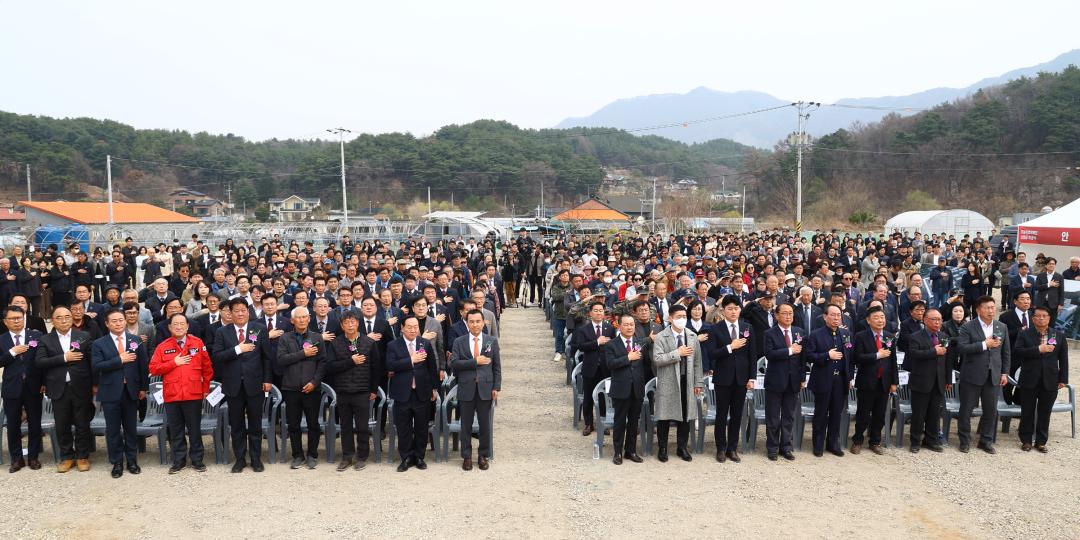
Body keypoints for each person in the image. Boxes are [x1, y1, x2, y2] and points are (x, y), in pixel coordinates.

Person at [149, 313, 214, 474]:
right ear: (169, 327)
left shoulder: (197, 343)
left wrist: (205, 389)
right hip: (172, 394)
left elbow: (207, 368)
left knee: (194, 429)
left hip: (193, 393)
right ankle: (178, 461)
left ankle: (197, 460)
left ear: (187, 326)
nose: (178, 327)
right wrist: (173, 363)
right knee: (176, 430)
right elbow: (153, 368)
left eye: (182, 324)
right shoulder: (163, 346)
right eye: (175, 324)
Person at [34, 306, 94, 472]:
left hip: (81, 386)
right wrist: (64, 358)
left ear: (72, 318)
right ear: (53, 320)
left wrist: (94, 384)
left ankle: (82, 456)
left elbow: (91, 362)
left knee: (82, 423)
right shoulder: (45, 339)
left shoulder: (83, 336)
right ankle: (67, 457)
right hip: (58, 387)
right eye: (59, 317)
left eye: (67, 316)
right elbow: (40, 362)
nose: (64, 320)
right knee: (62, 424)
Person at [213, 297, 269, 472]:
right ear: (230, 313)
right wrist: (238, 349)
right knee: (236, 425)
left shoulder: (259, 329)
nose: (240, 313)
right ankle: (240, 459)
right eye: (236, 310)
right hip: (233, 385)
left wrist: (268, 380)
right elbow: (217, 356)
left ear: (248, 311)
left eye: (243, 310)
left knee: (255, 424)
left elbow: (267, 357)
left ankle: (255, 458)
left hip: (255, 384)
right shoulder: (223, 332)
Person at [91, 309, 148, 478]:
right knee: (113, 429)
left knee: (131, 428)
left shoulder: (135, 340)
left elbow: (142, 367)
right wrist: (119, 360)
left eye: (121, 320)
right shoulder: (99, 343)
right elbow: (96, 366)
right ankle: (116, 462)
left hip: (131, 391)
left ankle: (132, 460)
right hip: (110, 391)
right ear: (107, 324)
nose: (118, 323)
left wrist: (143, 388)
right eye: (114, 321)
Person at [956, 296, 1010, 454]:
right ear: (978, 309)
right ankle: (964, 441)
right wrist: (984, 345)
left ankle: (985, 440)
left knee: (991, 410)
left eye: (993, 307)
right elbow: (962, 348)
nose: (991, 310)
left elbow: (1006, 353)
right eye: (987, 307)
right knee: (966, 410)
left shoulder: (1001, 327)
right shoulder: (968, 327)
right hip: (972, 375)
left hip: (993, 375)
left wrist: (1005, 373)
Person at [450, 309, 502, 471]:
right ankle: (466, 456)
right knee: (465, 424)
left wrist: (496, 387)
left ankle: (483, 455)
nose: (475, 324)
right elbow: (454, 364)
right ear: (467, 323)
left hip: (486, 388)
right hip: (466, 387)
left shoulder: (490, 341)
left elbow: (496, 366)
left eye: (478, 321)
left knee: (484, 424)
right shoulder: (459, 341)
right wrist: (474, 361)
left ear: (483, 322)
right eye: (471, 321)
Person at [327, 310, 379, 471]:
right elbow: (330, 367)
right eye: (346, 323)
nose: (350, 325)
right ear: (342, 326)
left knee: (362, 426)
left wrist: (373, 389)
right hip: (343, 391)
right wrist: (351, 361)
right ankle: (347, 456)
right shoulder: (335, 343)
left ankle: (362, 456)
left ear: (358, 323)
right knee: (345, 426)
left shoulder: (369, 342)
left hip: (362, 390)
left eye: (353, 322)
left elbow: (376, 367)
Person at [705, 294, 755, 462]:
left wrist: (752, 378)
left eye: (736, 308)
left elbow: (752, 355)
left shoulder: (747, 328)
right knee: (721, 414)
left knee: (737, 414)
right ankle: (720, 448)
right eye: (730, 309)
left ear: (740, 309)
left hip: (742, 378)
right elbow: (712, 353)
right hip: (723, 378)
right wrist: (729, 347)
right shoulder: (715, 328)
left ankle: (732, 448)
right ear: (723, 310)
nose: (733, 312)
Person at [651, 304, 704, 462]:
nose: (682, 319)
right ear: (670, 318)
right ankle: (663, 448)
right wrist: (677, 353)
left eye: (684, 316)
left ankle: (682, 447)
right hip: (668, 381)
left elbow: (697, 363)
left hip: (687, 381)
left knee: (686, 416)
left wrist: (698, 383)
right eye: (678, 316)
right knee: (664, 416)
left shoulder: (692, 336)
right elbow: (657, 359)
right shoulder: (661, 336)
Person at [385, 316, 438, 472]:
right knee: (404, 427)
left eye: (416, 327)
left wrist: (434, 388)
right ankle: (406, 457)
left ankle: (419, 456)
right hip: (402, 393)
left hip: (422, 392)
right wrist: (411, 360)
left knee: (422, 427)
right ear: (402, 328)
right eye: (409, 327)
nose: (413, 330)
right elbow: (390, 365)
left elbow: (432, 368)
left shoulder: (425, 344)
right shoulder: (393, 345)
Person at [277, 306, 326, 469]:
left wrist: (314, 382)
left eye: (305, 317)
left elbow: (323, 362)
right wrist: (303, 354)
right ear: (292, 320)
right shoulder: (285, 338)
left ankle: (312, 454)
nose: (302, 320)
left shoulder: (317, 337)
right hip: (291, 388)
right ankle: (297, 455)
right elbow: (281, 359)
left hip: (312, 388)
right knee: (294, 425)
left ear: (309, 318)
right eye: (298, 317)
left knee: (313, 424)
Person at [1014, 306, 1069, 452]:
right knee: (1027, 411)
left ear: (1049, 318)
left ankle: (1041, 441)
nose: (1041, 318)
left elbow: (1063, 358)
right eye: (1038, 316)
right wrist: (1039, 349)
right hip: (1029, 378)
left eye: (1044, 316)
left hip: (1050, 379)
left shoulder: (1058, 335)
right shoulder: (1025, 334)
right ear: (1033, 319)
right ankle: (1026, 440)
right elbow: (1018, 352)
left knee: (1045, 411)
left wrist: (1063, 378)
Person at [805, 304, 855, 457]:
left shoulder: (846, 333)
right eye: (832, 315)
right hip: (823, 379)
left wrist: (850, 377)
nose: (836, 318)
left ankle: (833, 444)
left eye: (838, 315)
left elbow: (850, 357)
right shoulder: (815, 334)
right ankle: (818, 445)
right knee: (821, 414)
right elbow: (808, 356)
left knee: (836, 414)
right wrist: (827, 355)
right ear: (825, 317)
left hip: (840, 380)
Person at [849, 306, 899, 455]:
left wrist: (894, 382)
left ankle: (875, 442)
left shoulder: (889, 336)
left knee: (880, 415)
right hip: (867, 381)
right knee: (863, 414)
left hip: (884, 382)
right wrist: (877, 355)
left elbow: (893, 360)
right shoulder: (860, 336)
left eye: (882, 317)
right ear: (868, 320)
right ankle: (857, 441)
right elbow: (857, 358)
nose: (880, 320)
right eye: (876, 317)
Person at [1, 306, 45, 471]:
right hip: (12, 387)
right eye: (13, 318)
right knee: (13, 425)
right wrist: (12, 352)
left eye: (20, 317)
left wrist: (44, 382)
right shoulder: (2, 340)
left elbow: (42, 361)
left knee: (35, 423)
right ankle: (16, 458)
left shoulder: (36, 336)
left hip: (34, 387)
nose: (17, 321)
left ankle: (33, 457)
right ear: (6, 322)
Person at [904, 308, 950, 453]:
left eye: (940, 319)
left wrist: (948, 379)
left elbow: (948, 360)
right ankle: (915, 442)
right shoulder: (915, 337)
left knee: (934, 414)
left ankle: (931, 440)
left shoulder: (944, 336)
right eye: (934, 319)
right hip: (921, 381)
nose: (937, 322)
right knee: (919, 414)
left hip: (938, 382)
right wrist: (933, 351)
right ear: (924, 320)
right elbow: (913, 354)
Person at [763, 303, 805, 461]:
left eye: (791, 313)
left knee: (789, 416)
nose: (789, 316)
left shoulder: (799, 332)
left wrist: (802, 378)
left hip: (793, 381)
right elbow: (769, 354)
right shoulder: (769, 333)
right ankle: (772, 448)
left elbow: (802, 358)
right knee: (773, 417)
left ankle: (786, 447)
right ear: (777, 315)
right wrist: (789, 351)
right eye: (785, 313)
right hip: (775, 380)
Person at [604, 314, 647, 465]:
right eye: (626, 324)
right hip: (621, 389)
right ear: (619, 326)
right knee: (620, 421)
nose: (629, 327)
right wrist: (628, 358)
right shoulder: (612, 344)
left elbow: (645, 365)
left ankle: (631, 451)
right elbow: (610, 364)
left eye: (632, 325)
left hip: (637, 389)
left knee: (634, 422)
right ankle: (617, 452)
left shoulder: (639, 343)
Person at [572, 300, 614, 436]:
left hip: (606, 368)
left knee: (605, 396)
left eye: (601, 310)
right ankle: (588, 424)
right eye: (595, 310)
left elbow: (613, 345)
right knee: (589, 397)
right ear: (590, 313)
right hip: (590, 367)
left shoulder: (610, 328)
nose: (598, 313)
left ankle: (604, 422)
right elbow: (579, 345)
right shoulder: (583, 329)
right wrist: (597, 342)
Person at [1034, 258, 1064, 323]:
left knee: (1052, 322)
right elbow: (1036, 287)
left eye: (1053, 264)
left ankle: (1050, 333)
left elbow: (1061, 291)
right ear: (1046, 265)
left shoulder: (1059, 276)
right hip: (1041, 302)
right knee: (1040, 321)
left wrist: (1061, 304)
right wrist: (1048, 284)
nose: (1051, 265)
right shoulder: (1040, 275)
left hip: (1054, 304)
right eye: (1049, 264)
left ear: (1055, 265)